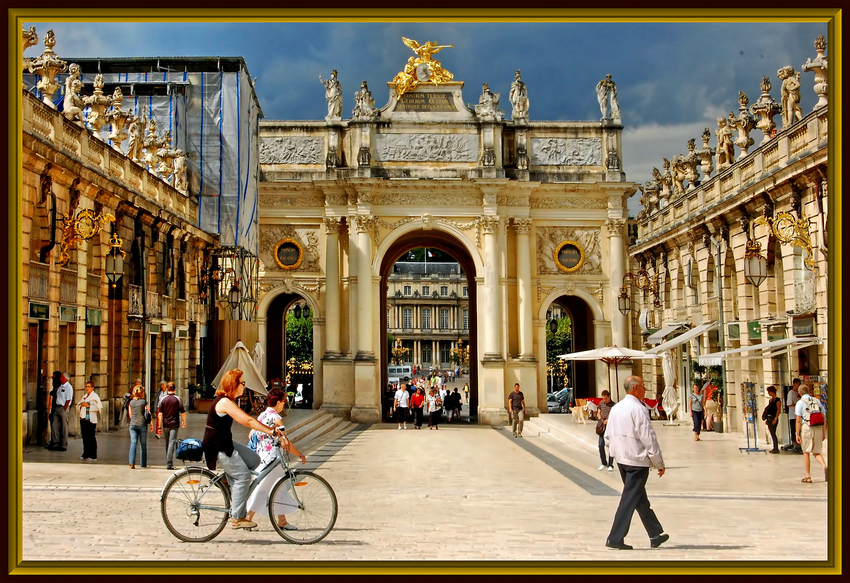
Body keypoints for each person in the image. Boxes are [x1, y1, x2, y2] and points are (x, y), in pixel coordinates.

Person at [203, 369, 282, 529]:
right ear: (234, 384)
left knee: (254, 460)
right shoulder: (224, 402)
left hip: (226, 442)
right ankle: (238, 517)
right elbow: (247, 420)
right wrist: (270, 430)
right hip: (218, 446)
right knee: (243, 476)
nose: (245, 387)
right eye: (243, 383)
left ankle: (229, 481)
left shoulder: (228, 401)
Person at [604, 376, 669, 550]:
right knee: (629, 499)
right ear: (635, 388)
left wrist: (617, 449)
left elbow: (607, 436)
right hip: (637, 461)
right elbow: (648, 438)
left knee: (638, 497)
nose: (645, 389)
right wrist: (658, 462)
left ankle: (655, 534)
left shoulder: (616, 408)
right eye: (643, 386)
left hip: (622, 459)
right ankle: (615, 537)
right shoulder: (638, 409)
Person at [245, 387, 307, 530]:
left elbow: (250, 435)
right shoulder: (277, 419)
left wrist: (264, 440)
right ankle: (248, 517)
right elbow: (285, 443)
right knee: (265, 489)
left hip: (260, 458)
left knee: (278, 489)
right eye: (283, 402)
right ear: (278, 403)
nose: (284, 404)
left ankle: (282, 521)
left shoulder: (261, 416)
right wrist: (299, 454)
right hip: (273, 459)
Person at [795, 385, 827, 483]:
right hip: (817, 428)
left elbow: (798, 420)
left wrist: (797, 434)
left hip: (807, 427)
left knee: (806, 452)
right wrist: (823, 432)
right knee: (816, 452)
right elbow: (823, 417)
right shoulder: (816, 401)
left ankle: (808, 476)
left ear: (799, 393)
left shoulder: (800, 403)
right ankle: (825, 466)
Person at [157, 381, 187, 470]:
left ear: (167, 389)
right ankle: (169, 463)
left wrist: (159, 426)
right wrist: (184, 421)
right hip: (174, 423)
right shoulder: (178, 399)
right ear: (174, 389)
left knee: (167, 443)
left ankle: (168, 460)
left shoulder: (162, 399)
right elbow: (183, 412)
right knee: (172, 442)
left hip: (165, 424)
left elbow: (160, 414)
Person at [76, 380, 102, 462]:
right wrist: (81, 406)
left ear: (92, 388)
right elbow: (78, 405)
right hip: (83, 419)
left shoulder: (95, 397)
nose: (87, 388)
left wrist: (89, 406)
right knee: (85, 437)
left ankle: (93, 455)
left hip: (91, 420)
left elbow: (99, 408)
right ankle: (85, 453)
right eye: (86, 386)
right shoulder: (84, 396)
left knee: (91, 437)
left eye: (89, 386)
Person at [127, 384, 152, 469]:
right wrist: (151, 424)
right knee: (143, 444)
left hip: (133, 425)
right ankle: (143, 463)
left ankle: (132, 463)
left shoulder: (131, 403)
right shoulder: (144, 402)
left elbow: (130, 415)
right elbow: (149, 414)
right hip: (142, 425)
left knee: (133, 443)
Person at [48, 372, 73, 451]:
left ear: (65, 378)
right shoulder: (60, 386)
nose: (60, 378)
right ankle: (55, 443)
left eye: (61, 376)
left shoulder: (68, 387)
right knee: (55, 425)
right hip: (57, 407)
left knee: (64, 426)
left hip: (63, 407)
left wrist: (65, 408)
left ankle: (63, 444)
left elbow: (69, 399)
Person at [597, 390, 616, 471]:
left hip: (610, 426)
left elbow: (615, 415)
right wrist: (600, 418)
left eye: (606, 398)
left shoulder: (614, 405)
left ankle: (610, 464)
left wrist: (608, 420)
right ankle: (603, 463)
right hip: (602, 426)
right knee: (601, 444)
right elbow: (598, 412)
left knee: (611, 445)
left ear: (609, 396)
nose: (604, 400)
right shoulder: (601, 403)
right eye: (603, 398)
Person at [783, 379, 802, 453]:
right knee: (794, 429)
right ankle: (795, 444)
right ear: (795, 384)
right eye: (798, 384)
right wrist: (796, 404)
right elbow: (789, 403)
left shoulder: (798, 393)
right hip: (793, 415)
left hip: (798, 415)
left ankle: (799, 444)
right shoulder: (790, 393)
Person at [762, 386, 781, 454]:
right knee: (771, 433)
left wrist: (775, 418)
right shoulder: (771, 400)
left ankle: (776, 448)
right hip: (769, 418)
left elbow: (778, 410)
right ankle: (774, 447)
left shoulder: (777, 401)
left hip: (773, 418)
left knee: (773, 433)